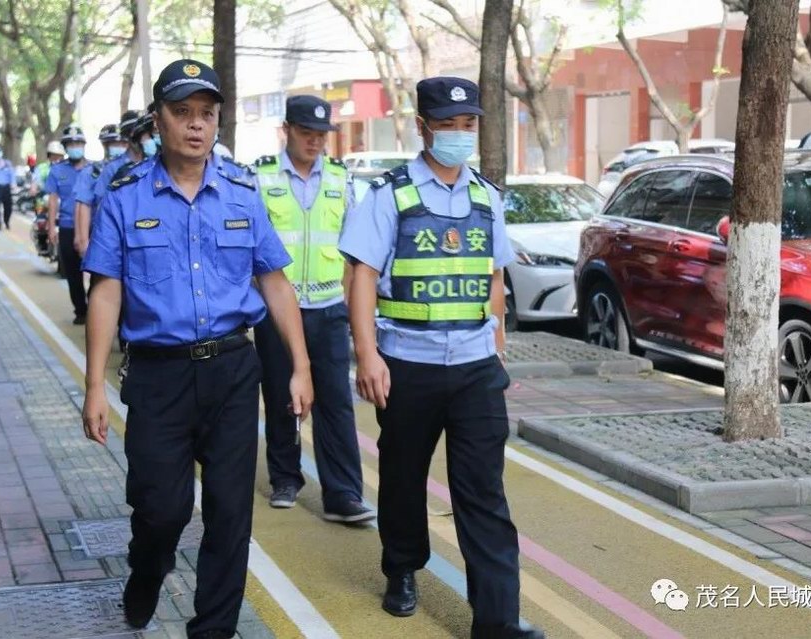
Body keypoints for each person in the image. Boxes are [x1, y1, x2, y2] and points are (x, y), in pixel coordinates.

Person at [81, 59, 313, 639]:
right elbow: (106, 293)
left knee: (232, 514)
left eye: (206, 115)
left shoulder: (241, 191)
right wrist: (92, 388)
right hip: (158, 377)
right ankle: (147, 570)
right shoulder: (125, 197)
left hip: (235, 370)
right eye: (181, 113)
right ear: (158, 120)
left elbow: (275, 281)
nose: (195, 126)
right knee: (163, 511)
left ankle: (213, 630)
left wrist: (301, 367)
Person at [339, 77, 543, 639]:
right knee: (404, 475)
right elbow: (362, 276)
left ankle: (497, 619)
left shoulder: (487, 196)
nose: (458, 134)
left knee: (483, 490)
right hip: (408, 361)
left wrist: (497, 348)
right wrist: (367, 356)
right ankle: (402, 568)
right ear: (423, 127)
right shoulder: (390, 193)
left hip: (476, 366)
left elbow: (494, 276)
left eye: (467, 124)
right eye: (447, 124)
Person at [252, 95, 372, 523]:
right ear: (287, 129)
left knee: (336, 401)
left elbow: (356, 254)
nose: (315, 142)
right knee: (284, 394)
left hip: (327, 308)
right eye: (307, 133)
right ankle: (286, 477)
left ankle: (343, 494)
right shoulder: (261, 178)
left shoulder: (343, 181)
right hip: (277, 311)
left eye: (322, 135)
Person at [46, 125, 92, 325]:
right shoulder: (57, 171)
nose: (75, 147)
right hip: (66, 226)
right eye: (71, 144)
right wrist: (50, 227)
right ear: (65, 147)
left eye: (78, 143)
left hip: (92, 228)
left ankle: (96, 306)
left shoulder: (94, 169)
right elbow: (53, 200)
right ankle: (81, 311)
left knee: (99, 271)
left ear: (84, 145)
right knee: (73, 273)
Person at [73, 123, 128, 256]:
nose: (119, 147)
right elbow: (83, 205)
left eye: (122, 143)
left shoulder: (136, 168)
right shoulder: (92, 172)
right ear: (105, 145)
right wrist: (83, 240)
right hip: (102, 233)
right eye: (114, 143)